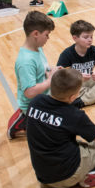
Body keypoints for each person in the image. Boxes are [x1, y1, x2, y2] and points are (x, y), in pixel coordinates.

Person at [7, 11, 58, 139]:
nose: (48, 38)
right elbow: (29, 92)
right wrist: (50, 80)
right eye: (47, 35)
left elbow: (42, 70)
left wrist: (53, 71)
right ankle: (22, 120)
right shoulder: (26, 61)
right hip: (32, 106)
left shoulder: (38, 48)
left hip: (44, 98)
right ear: (36, 34)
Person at [57, 20, 95, 107]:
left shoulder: (94, 50)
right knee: (62, 90)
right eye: (86, 37)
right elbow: (59, 75)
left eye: (91, 37)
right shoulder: (67, 54)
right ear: (75, 38)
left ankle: (81, 101)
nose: (90, 40)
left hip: (89, 81)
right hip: (74, 84)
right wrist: (78, 76)